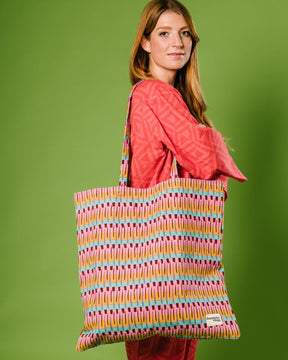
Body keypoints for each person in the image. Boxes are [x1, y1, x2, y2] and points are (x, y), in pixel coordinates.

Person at [124, 1, 247, 359]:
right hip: (168, 254)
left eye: (184, 34)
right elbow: (205, 157)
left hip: (149, 256)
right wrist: (217, 140)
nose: (177, 42)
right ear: (145, 43)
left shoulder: (144, 95)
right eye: (164, 33)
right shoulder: (156, 93)